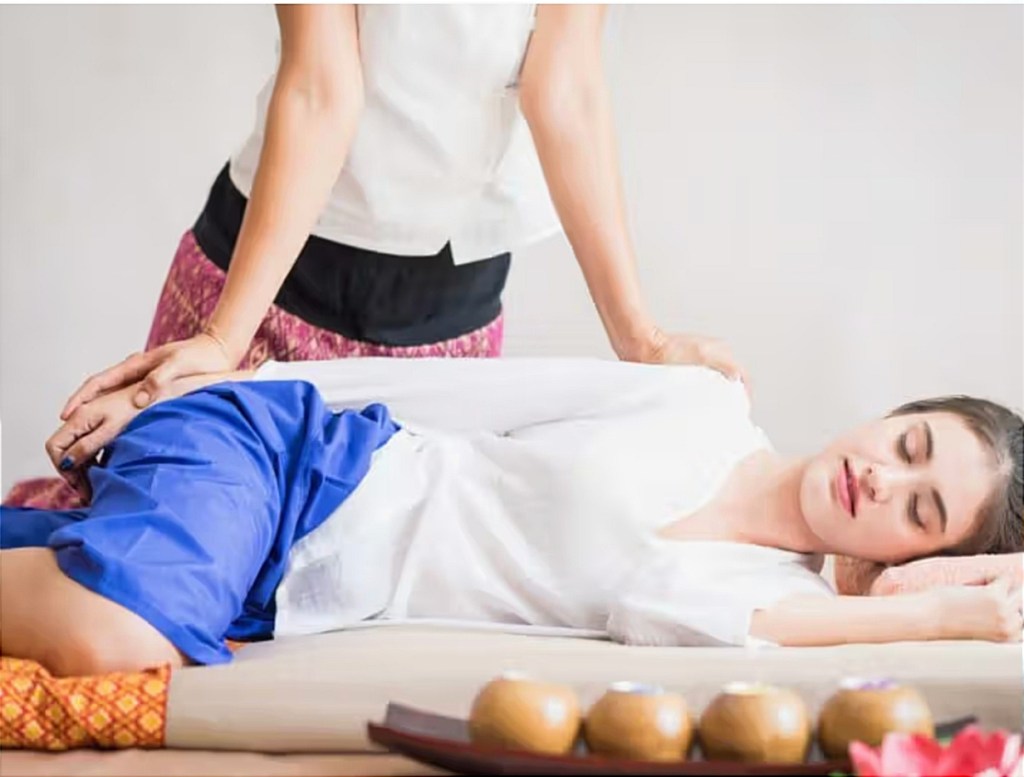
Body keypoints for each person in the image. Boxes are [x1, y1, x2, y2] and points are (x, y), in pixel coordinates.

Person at [25, 5, 748, 510]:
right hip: (262, 290)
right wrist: (222, 338)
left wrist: (642, 338)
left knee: (332, 588)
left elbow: (566, 90)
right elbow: (321, 90)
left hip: (446, 334)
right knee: (150, 532)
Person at [2, 358, 1020, 677]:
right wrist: (209, 384)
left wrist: (939, 613)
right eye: (910, 445)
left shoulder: (766, 604)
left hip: (280, 587)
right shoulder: (700, 404)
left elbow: (651, 607)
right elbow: (467, 392)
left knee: (106, 594)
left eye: (921, 510)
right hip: (295, 456)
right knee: (115, 640)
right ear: (893, 415)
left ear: (916, 556)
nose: (882, 479)